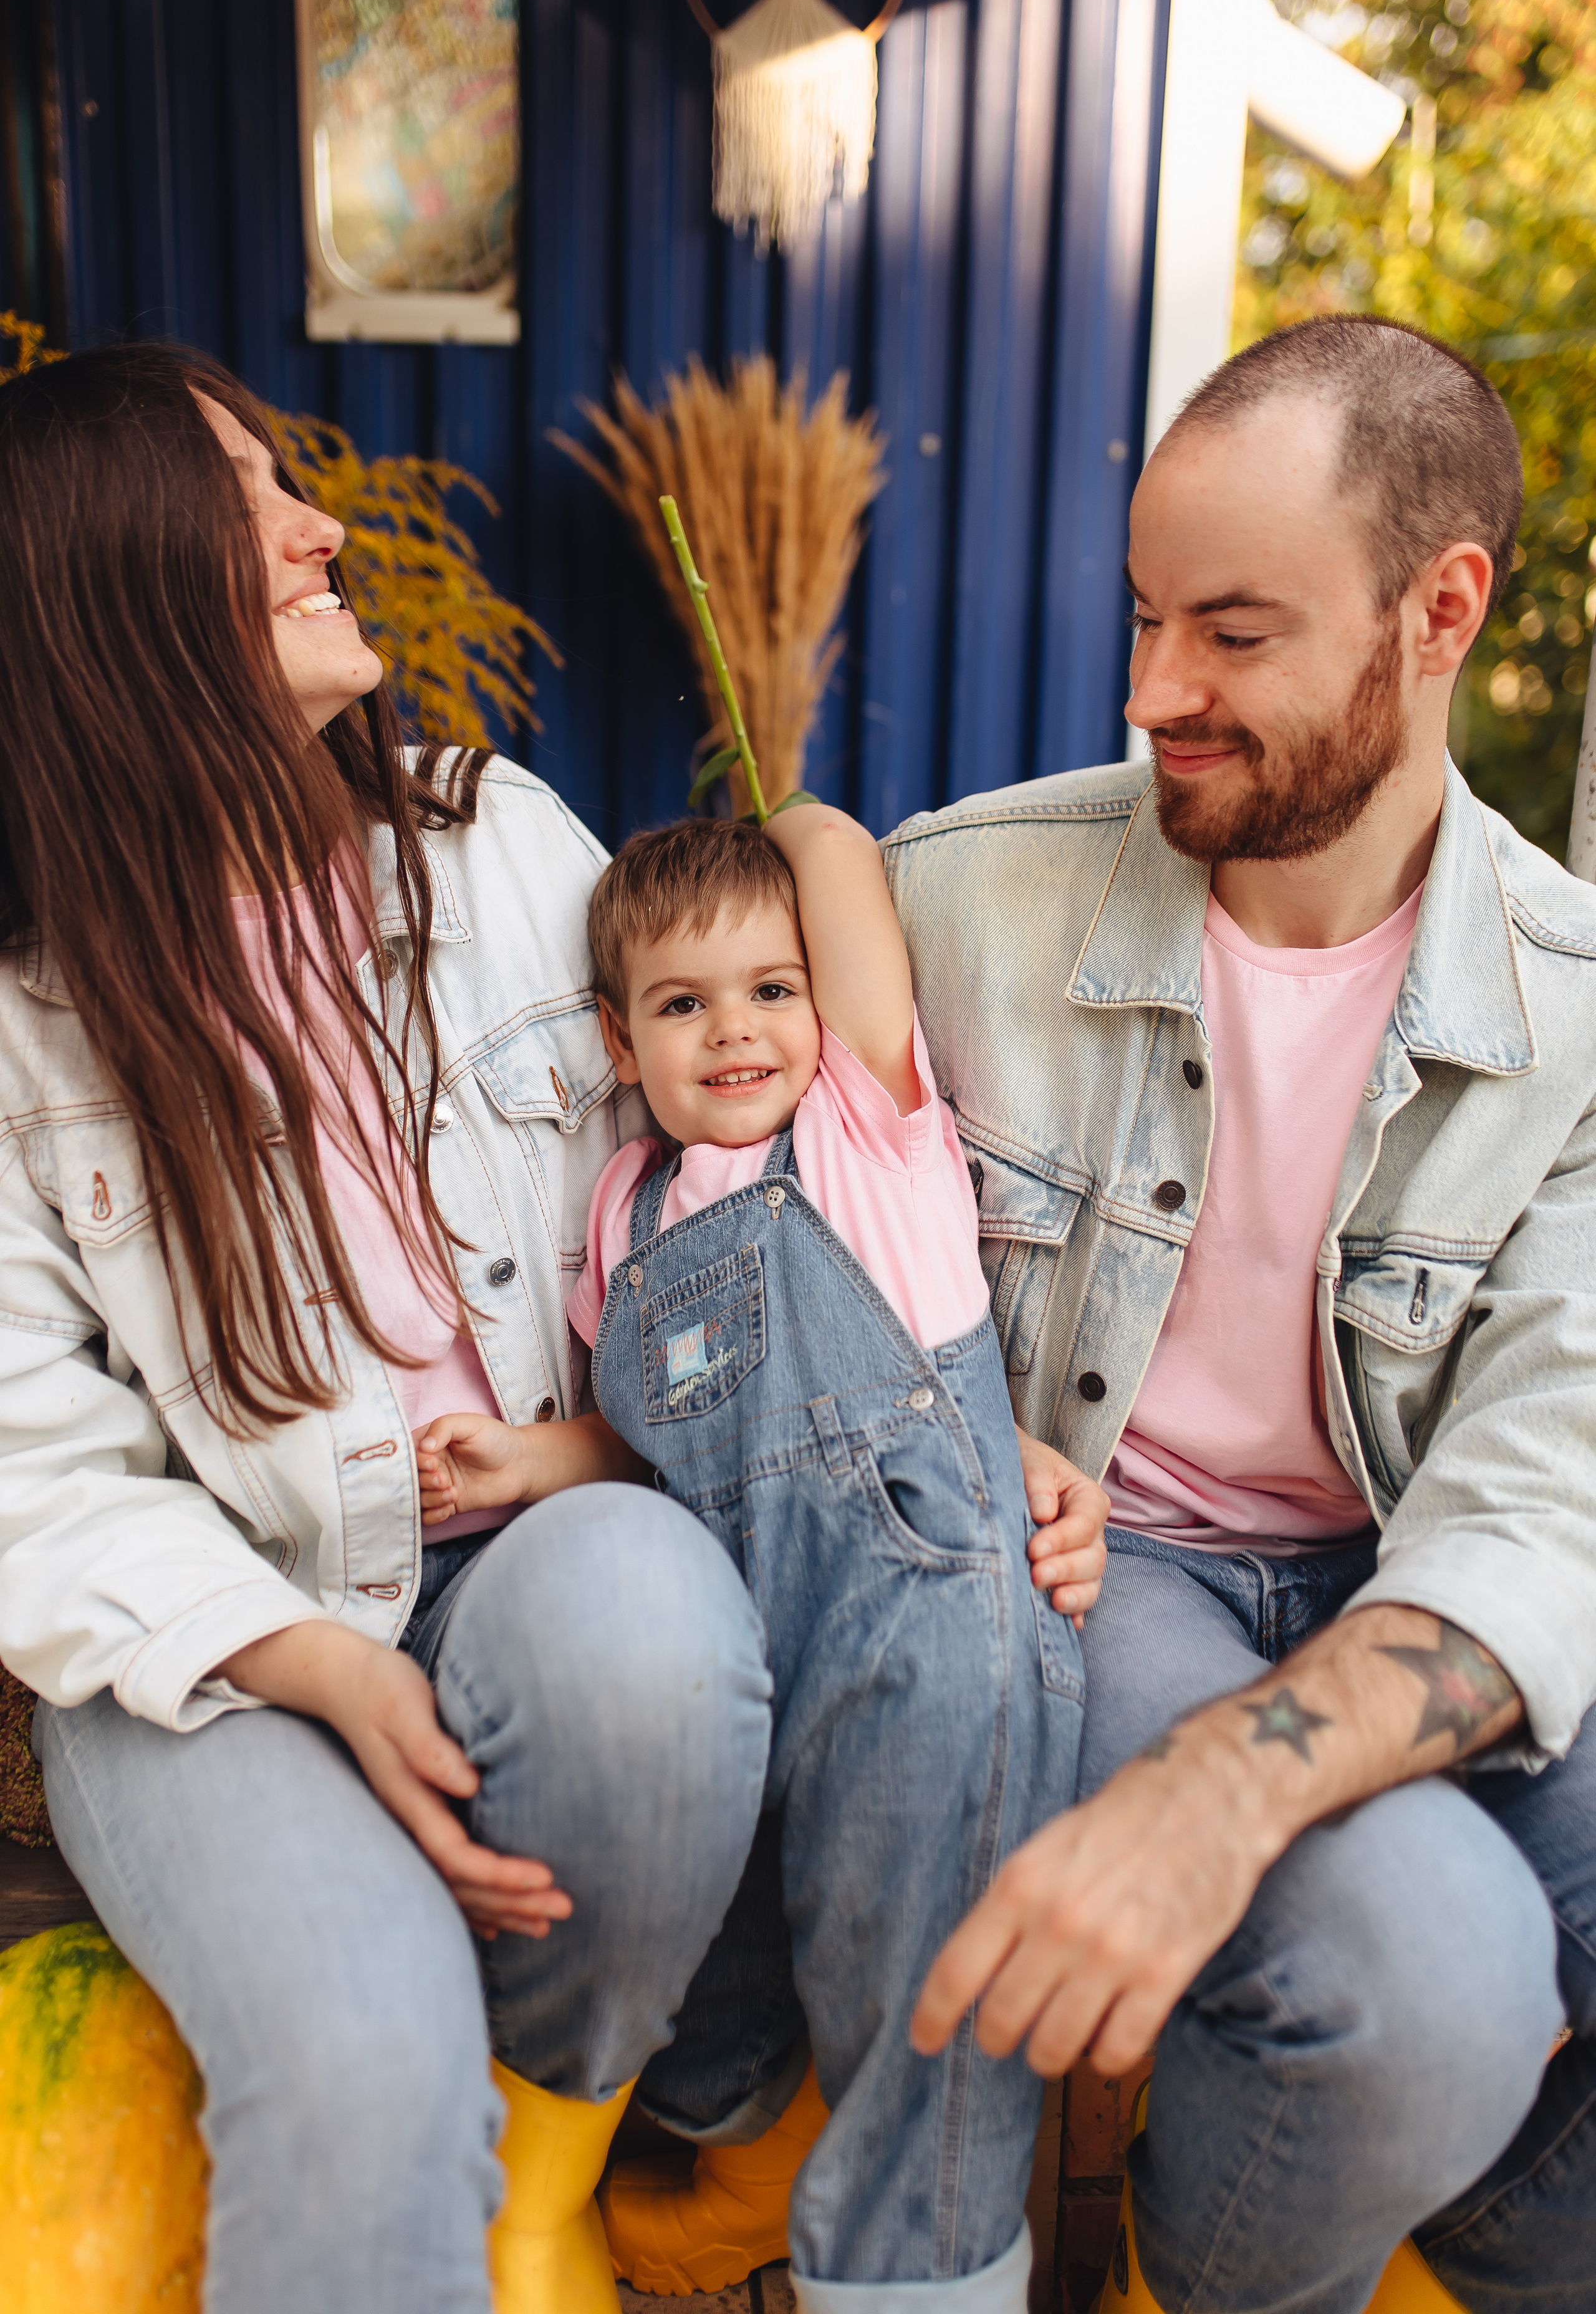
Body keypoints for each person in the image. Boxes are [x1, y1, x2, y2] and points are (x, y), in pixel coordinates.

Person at [0, 342, 779, 2314]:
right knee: (355, 2065)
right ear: (110, 598)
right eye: (244, 502)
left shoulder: (496, 840)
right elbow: (37, 1474)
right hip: (223, 1648)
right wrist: (325, 1676)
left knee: (648, 1636)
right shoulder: (26, 1020)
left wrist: (615, 1448)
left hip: (540, 1539)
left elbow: (716, 1199)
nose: (317, 523)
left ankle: (543, 2157)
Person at [892, 317, 1595, 2312]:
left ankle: (1400, 2214)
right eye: (1141, 621)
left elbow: (1546, 1502)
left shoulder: (1577, 1012)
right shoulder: (956, 908)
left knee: (1411, 2045)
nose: (1152, 695)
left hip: (1425, 1571)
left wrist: (1235, 1788)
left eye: (1232, 633)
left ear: (1439, 609)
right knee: (1430, 1973)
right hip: (1106, 1569)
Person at [413, 807, 1101, 2311]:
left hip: (920, 1623)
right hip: (753, 1652)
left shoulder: (865, 1133)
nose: (736, 1031)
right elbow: (650, 1438)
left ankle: (912, 2280)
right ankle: (750, 2173)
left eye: (770, 989)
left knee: (921, 2005)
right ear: (617, 1040)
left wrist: (767, 812)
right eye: (682, 1003)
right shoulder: (626, 1211)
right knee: (756, 1961)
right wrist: (528, 1461)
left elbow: (836, 859)